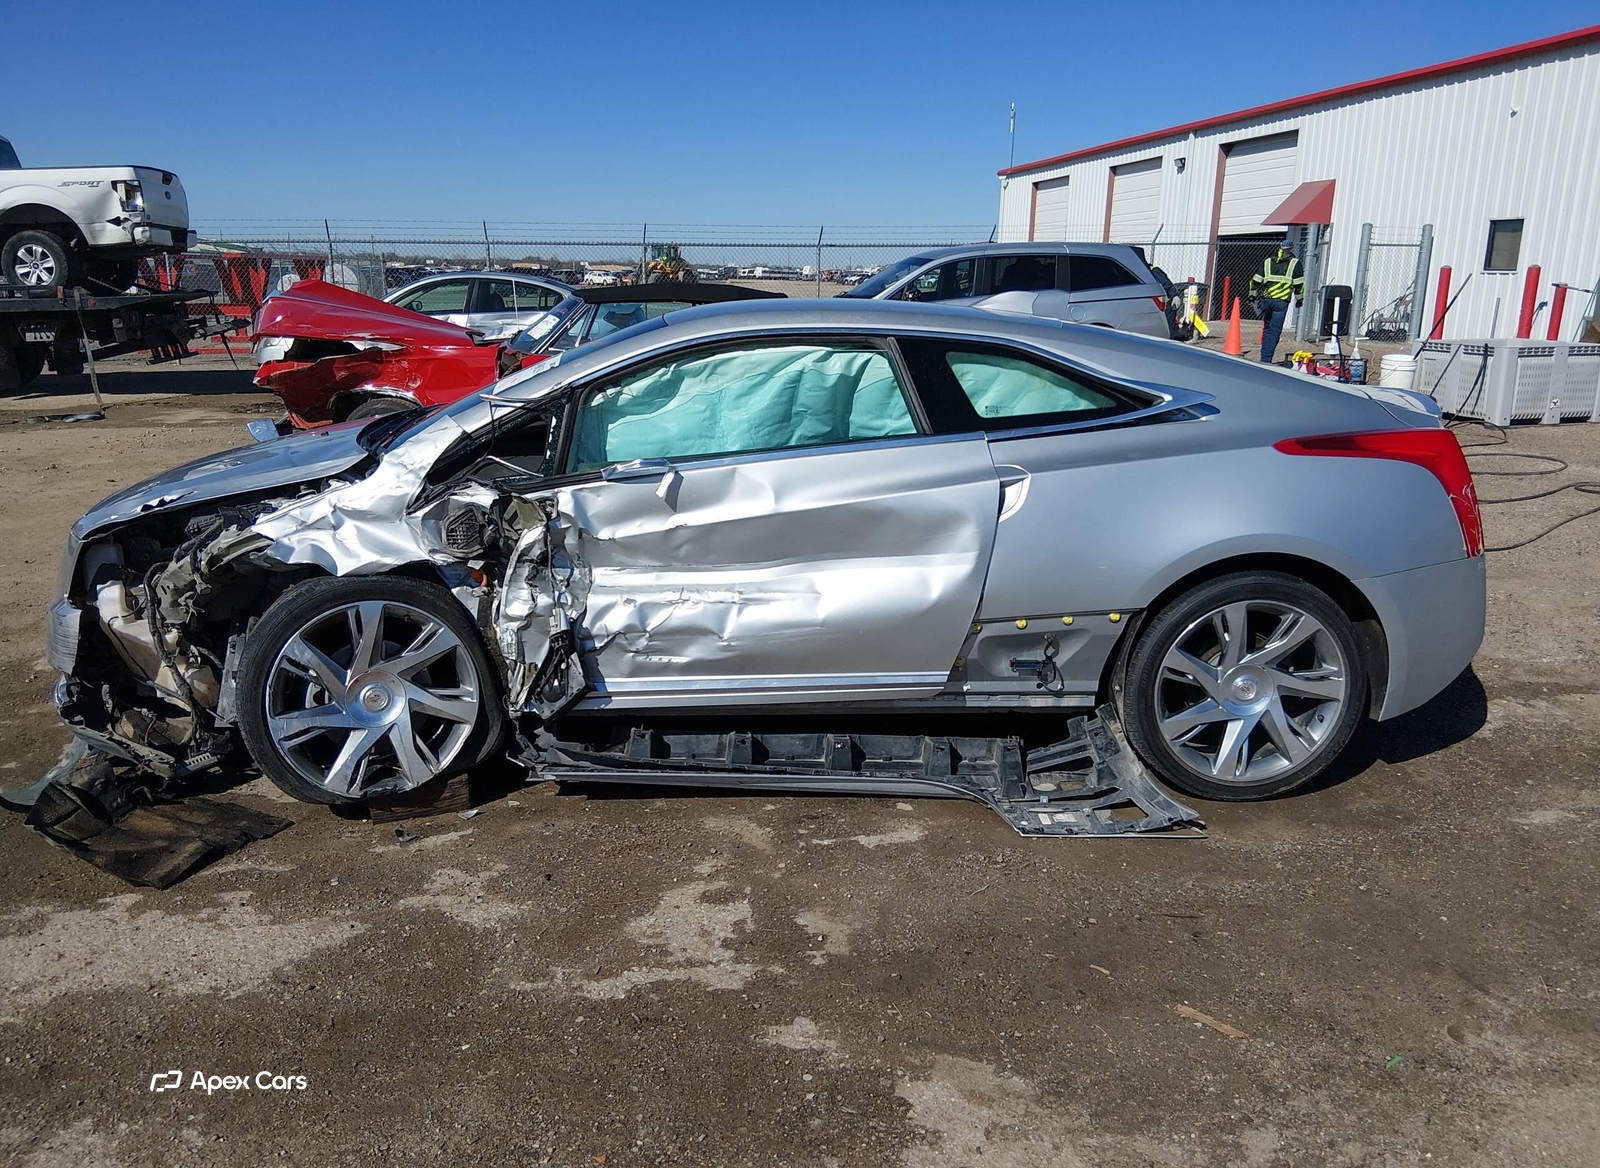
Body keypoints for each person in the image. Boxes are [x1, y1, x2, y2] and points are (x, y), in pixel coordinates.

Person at [1248, 240, 1305, 364]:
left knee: (1267, 329)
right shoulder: (1295, 263)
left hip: (1266, 300)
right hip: (1281, 301)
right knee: (1274, 331)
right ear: (1291, 249)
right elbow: (1299, 284)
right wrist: (1299, 299)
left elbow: (1255, 281)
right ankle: (1266, 359)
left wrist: (1251, 297)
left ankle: (1264, 357)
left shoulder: (1267, 262)